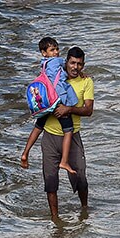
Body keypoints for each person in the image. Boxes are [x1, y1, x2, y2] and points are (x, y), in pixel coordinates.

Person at [20, 46, 94, 220]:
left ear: (83, 66)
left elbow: (88, 110)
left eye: (80, 64)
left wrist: (68, 108)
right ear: (66, 61)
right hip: (50, 138)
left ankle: (84, 212)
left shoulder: (86, 82)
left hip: (73, 137)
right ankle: (55, 219)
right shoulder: (55, 76)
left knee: (80, 178)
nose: (75, 67)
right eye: (73, 63)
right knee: (50, 182)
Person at [27, 37, 79, 175]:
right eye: (52, 50)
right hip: (57, 100)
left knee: (38, 127)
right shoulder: (57, 61)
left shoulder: (43, 63)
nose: (56, 52)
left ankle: (25, 153)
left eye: (57, 49)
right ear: (44, 52)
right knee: (68, 130)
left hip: (47, 102)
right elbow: (69, 64)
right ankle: (64, 161)